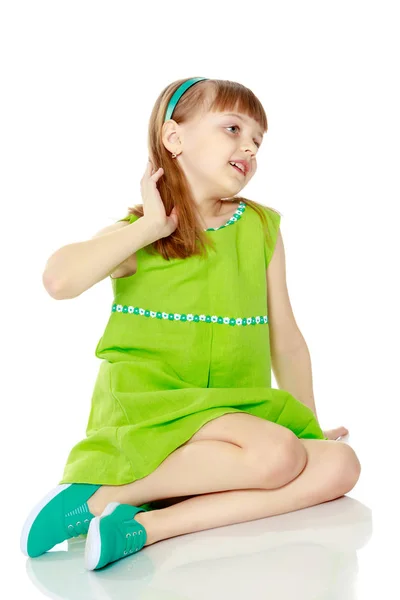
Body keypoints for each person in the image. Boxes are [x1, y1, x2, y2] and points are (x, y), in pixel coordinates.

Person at [20, 77, 360, 571]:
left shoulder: (261, 228)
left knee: (339, 466)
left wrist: (309, 425)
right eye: (232, 128)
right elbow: (58, 280)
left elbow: (285, 339)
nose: (249, 146)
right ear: (174, 139)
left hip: (232, 417)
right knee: (279, 456)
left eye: (258, 141)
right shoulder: (140, 234)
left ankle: (142, 526)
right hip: (152, 410)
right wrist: (148, 228)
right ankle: (94, 497)